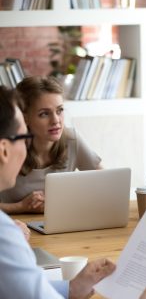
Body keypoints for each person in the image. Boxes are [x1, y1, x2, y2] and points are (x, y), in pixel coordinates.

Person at [0, 85, 146, 299]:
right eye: (24, 137)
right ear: (4, 149)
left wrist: (69, 288)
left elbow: (9, 288)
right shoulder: (4, 233)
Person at [0, 76, 102, 214]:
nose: (56, 121)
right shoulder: (9, 147)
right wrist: (20, 207)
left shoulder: (72, 139)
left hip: (60, 220)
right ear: (25, 118)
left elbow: (103, 182)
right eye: (44, 114)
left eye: (59, 111)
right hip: (16, 226)